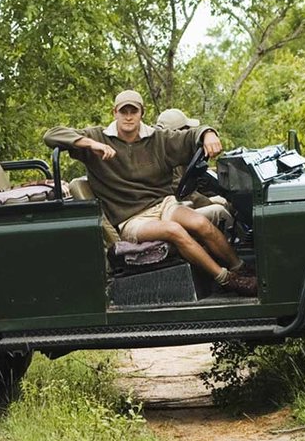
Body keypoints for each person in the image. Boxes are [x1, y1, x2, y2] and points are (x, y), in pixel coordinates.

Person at [45, 90, 256, 295]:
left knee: (201, 224)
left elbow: (189, 136)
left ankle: (241, 268)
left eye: (133, 111)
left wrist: (208, 133)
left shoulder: (157, 138)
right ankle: (226, 279)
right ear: (114, 113)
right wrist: (91, 144)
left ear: (141, 113)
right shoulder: (99, 137)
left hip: (163, 204)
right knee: (174, 231)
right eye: (123, 111)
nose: (128, 117)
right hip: (131, 219)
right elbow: (52, 135)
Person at [156, 106, 234, 232]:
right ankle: (236, 246)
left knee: (226, 202)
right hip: (172, 210)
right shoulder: (162, 159)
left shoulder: (178, 156)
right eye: (186, 130)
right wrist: (209, 202)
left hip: (182, 205)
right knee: (219, 211)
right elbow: (181, 193)